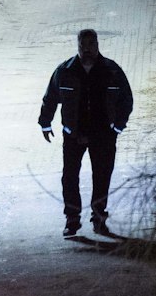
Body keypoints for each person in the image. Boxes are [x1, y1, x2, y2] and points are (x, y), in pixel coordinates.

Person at [38, 29, 133, 238]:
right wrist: (45, 123)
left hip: (104, 136)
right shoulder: (65, 71)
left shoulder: (111, 71)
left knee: (102, 177)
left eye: (91, 44)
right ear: (78, 46)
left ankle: (99, 219)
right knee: (69, 177)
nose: (87, 49)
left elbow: (126, 100)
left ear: (97, 44)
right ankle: (72, 220)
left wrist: (117, 127)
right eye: (83, 45)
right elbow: (51, 98)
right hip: (74, 135)